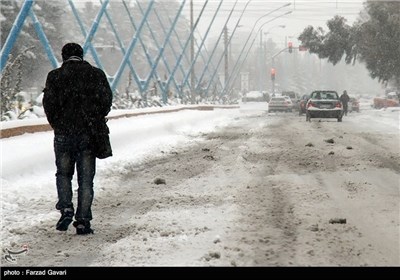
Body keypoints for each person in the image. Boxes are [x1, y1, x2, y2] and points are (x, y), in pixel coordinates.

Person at [43, 43, 113, 235]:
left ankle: (66, 208)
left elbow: (48, 104)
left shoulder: (55, 76)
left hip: (64, 133)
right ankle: (82, 221)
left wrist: (58, 124)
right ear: (82, 56)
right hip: (88, 135)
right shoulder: (96, 74)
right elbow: (106, 100)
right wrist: (95, 116)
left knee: (63, 174)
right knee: (86, 180)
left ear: (63, 56)